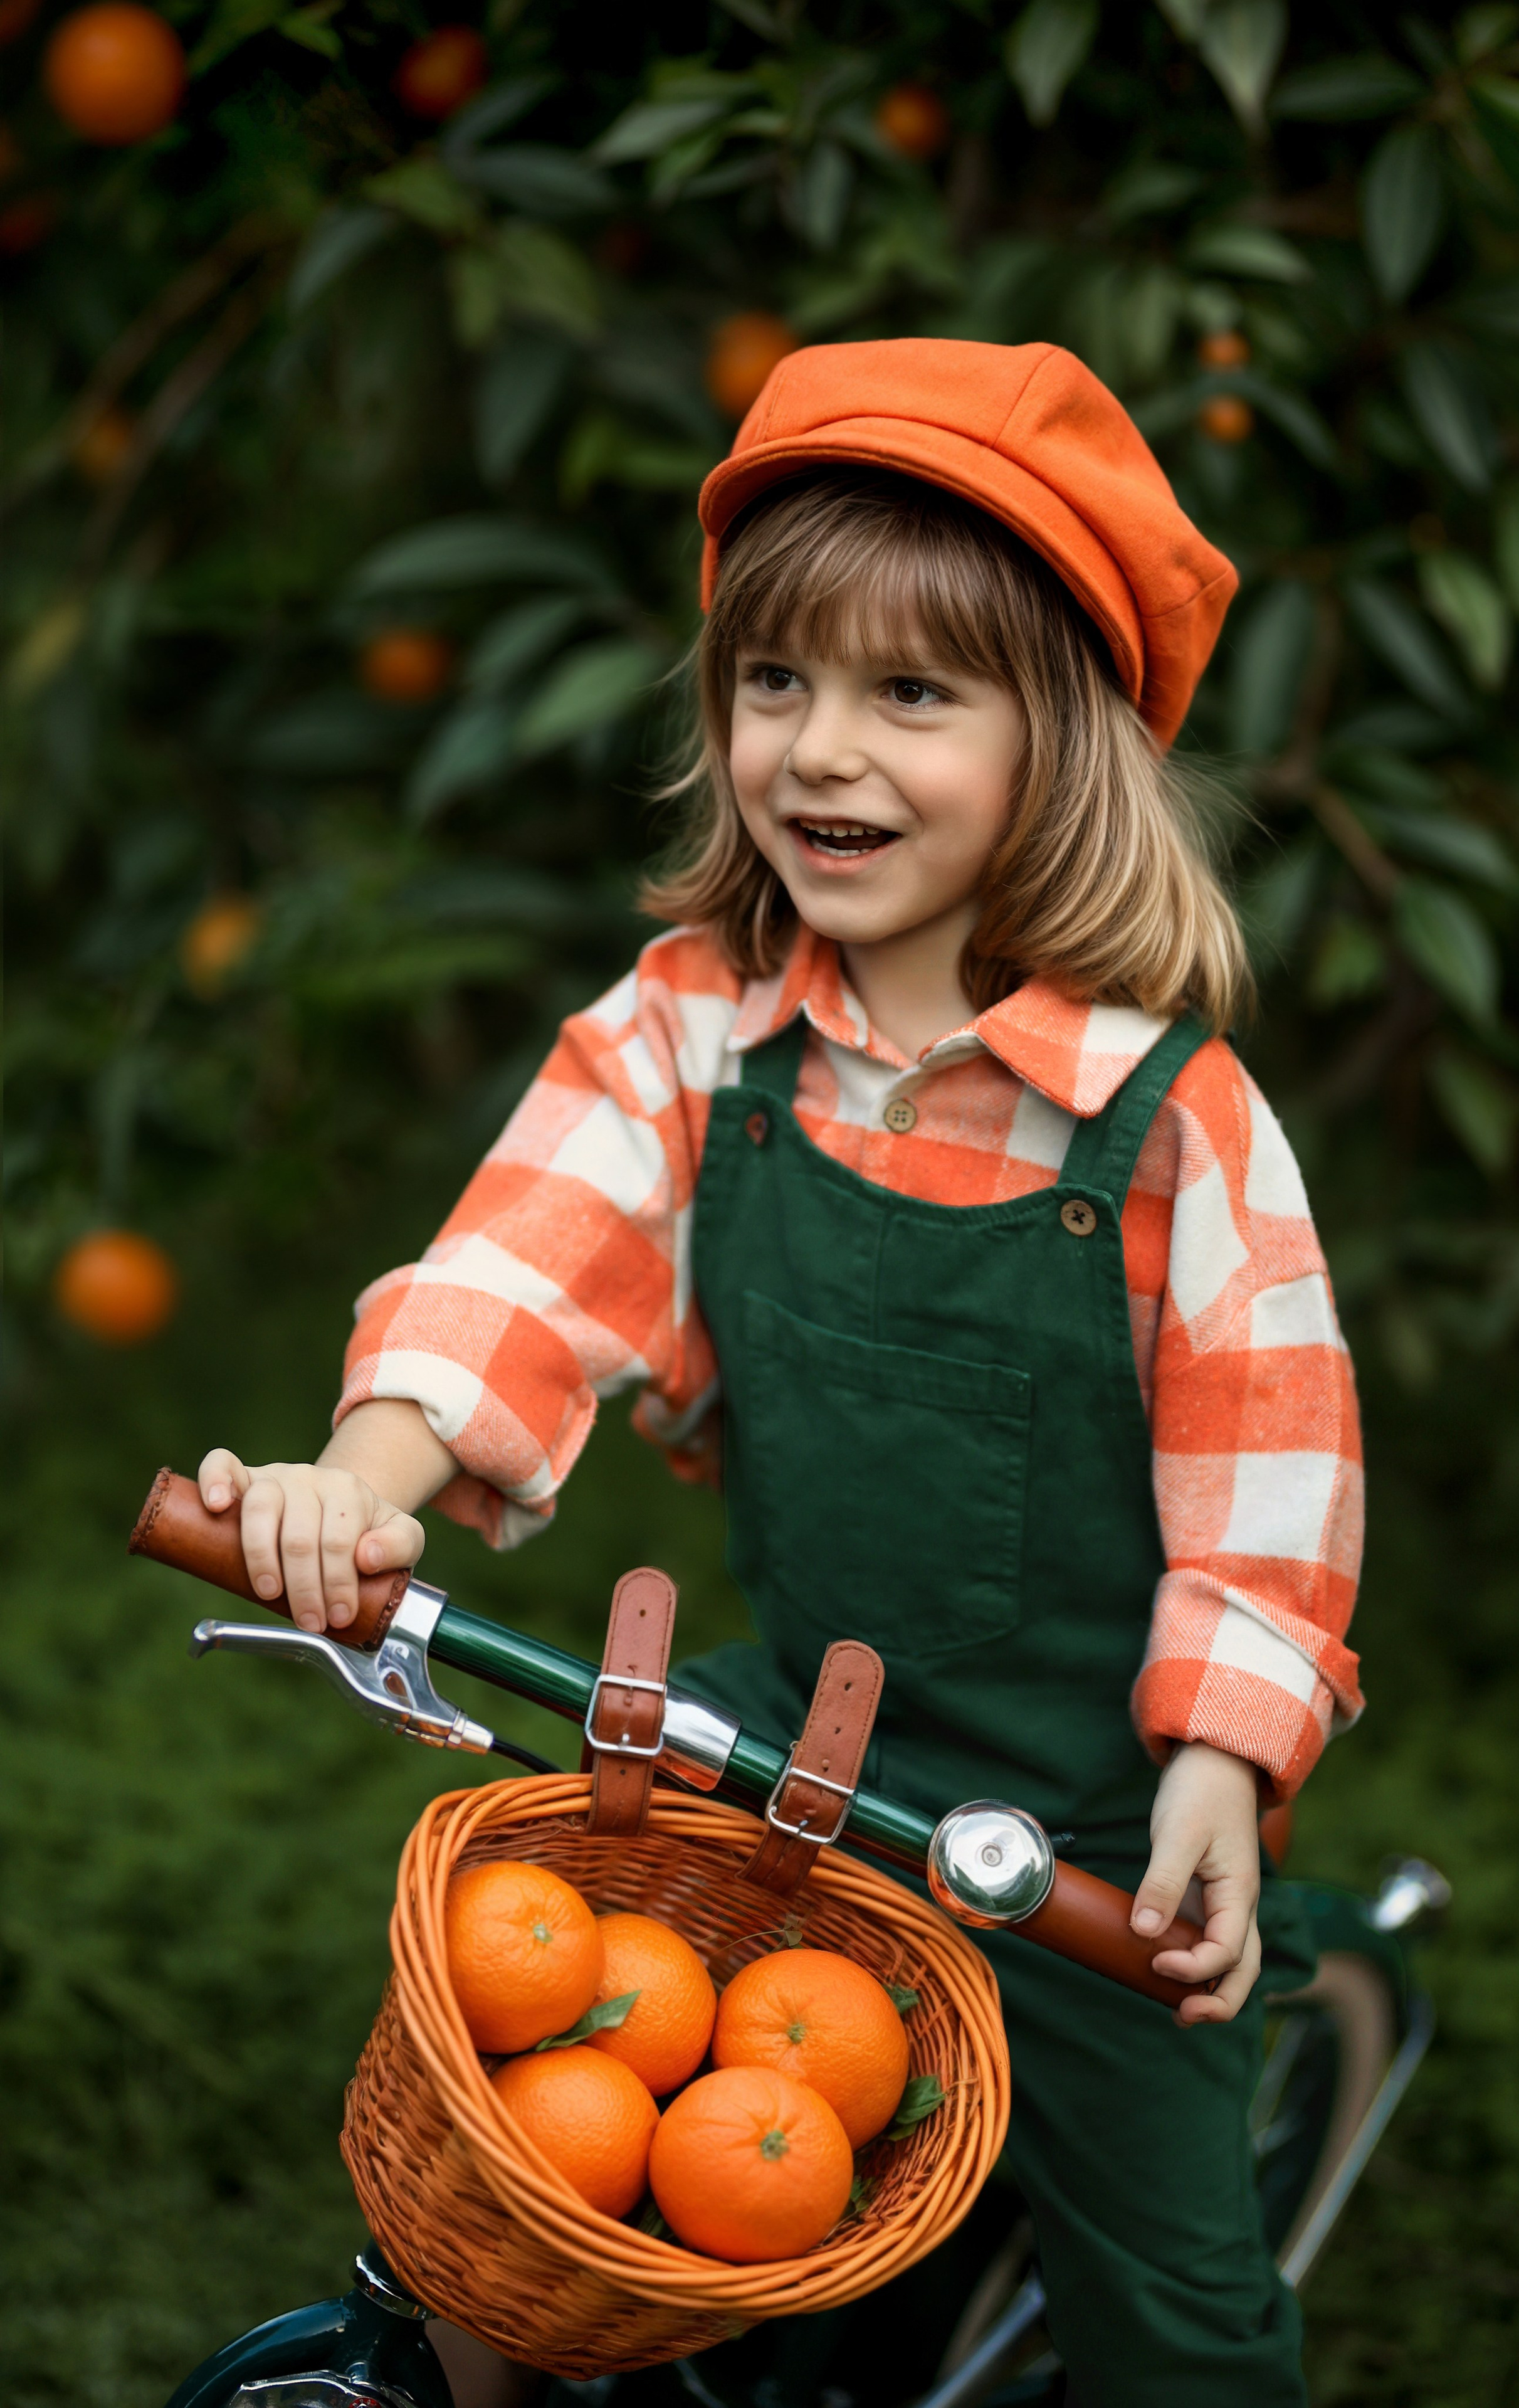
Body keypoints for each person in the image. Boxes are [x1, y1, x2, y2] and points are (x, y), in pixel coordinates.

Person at [197, 341, 1363, 2405]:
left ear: (1065, 745)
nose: (821, 749)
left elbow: (1270, 1479)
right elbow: (518, 1271)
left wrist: (1218, 1770)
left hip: (1080, 1821)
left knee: (1178, 2316)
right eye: (775, 681)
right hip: (795, 1730)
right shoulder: (695, 1035)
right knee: (539, 2082)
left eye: (912, 694)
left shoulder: (1178, 1127)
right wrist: (361, 1483)